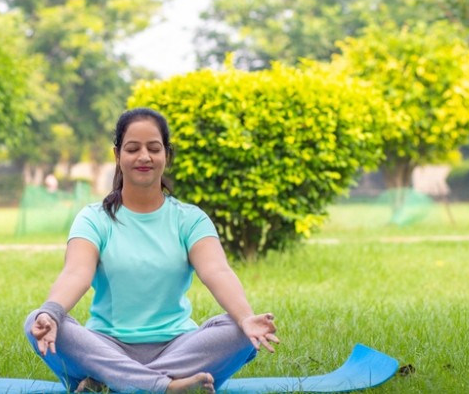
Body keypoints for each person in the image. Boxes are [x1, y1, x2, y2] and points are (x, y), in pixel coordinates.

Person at [24, 107, 278, 393]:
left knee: (238, 332)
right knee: (37, 321)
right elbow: (76, 273)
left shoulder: (190, 219)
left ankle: (112, 383)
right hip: (107, 346)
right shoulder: (94, 218)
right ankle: (166, 388)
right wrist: (51, 313)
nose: (144, 157)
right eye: (133, 148)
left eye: (153, 148)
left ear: (166, 155)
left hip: (179, 346)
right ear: (117, 155)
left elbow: (217, 271)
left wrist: (246, 318)